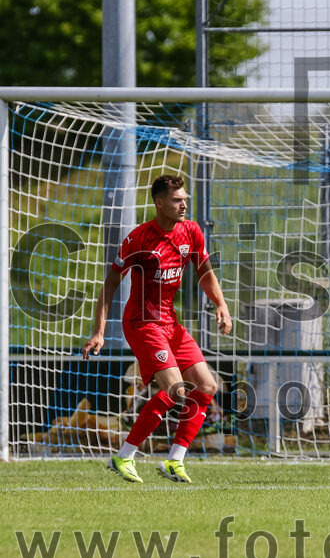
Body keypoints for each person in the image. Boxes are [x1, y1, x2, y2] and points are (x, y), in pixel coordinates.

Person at [81, 174, 232, 484]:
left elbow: (204, 271)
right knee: (175, 390)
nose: (184, 204)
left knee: (206, 386)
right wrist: (99, 330)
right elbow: (110, 283)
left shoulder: (191, 231)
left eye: (185, 198)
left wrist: (221, 304)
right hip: (142, 323)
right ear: (159, 203)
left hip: (170, 323)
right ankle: (123, 457)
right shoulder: (139, 239)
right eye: (177, 200)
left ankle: (175, 461)